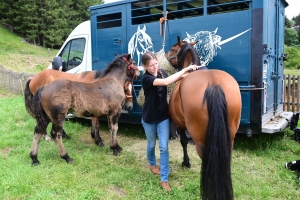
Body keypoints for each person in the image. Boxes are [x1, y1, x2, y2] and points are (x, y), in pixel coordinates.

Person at [141, 52, 197, 191]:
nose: (154, 67)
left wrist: (189, 74)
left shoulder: (162, 72)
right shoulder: (146, 79)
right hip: (149, 118)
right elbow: (166, 82)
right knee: (151, 144)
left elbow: (173, 79)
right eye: (151, 65)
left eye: (155, 63)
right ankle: (153, 164)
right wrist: (185, 68)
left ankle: (164, 179)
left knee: (164, 147)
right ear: (145, 66)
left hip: (163, 117)